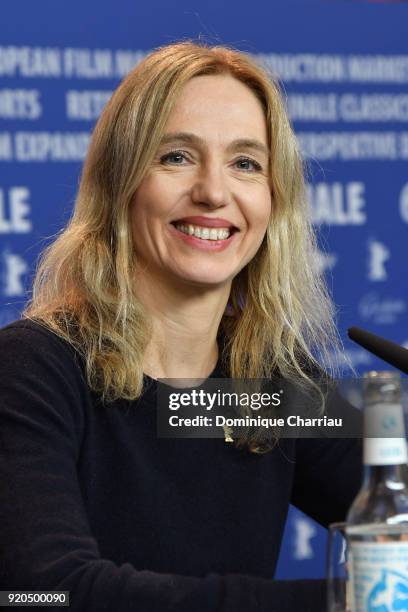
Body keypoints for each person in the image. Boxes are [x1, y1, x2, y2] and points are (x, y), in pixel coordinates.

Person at [0, 41, 362, 611]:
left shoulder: (266, 381)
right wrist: (357, 602)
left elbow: (394, 505)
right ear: (120, 186)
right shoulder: (32, 369)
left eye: (246, 163)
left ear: (274, 199)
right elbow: (47, 592)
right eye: (176, 157)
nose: (214, 193)